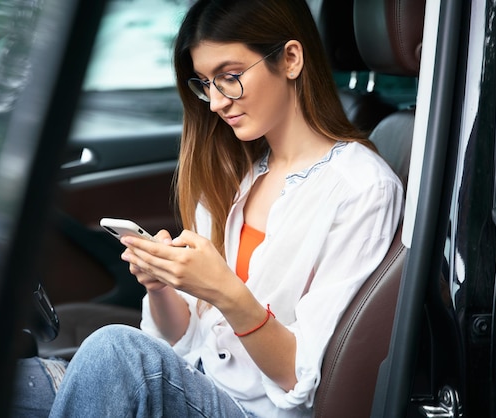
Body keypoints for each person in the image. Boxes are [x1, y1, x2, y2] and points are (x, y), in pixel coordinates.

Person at [48, 0, 404, 416]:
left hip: (260, 410)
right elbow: (185, 342)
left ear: (290, 59)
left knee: (115, 350)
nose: (216, 102)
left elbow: (303, 378)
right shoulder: (237, 177)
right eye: (205, 84)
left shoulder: (361, 188)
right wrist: (161, 285)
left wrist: (224, 290)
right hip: (198, 382)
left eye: (229, 78)